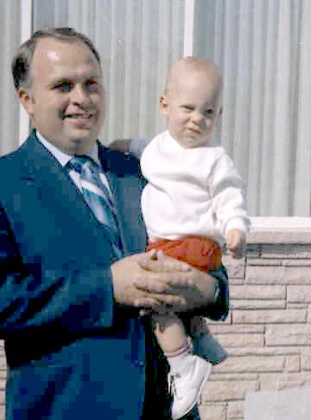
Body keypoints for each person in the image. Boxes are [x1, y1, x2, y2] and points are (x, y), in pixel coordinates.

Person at [0, 28, 229, 420]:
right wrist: (106, 288)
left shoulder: (147, 172)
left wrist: (209, 289)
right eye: (63, 86)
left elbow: (209, 262)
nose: (81, 99)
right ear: (26, 99)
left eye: (91, 84)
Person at [128, 57, 250, 419]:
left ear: (219, 114)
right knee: (183, 303)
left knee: (156, 305)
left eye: (208, 112)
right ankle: (201, 335)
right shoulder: (157, 149)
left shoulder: (214, 158)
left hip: (186, 245)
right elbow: (139, 146)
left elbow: (230, 196)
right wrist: (120, 144)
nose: (198, 119)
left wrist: (236, 228)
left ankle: (183, 366)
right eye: (189, 108)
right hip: (185, 250)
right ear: (165, 105)